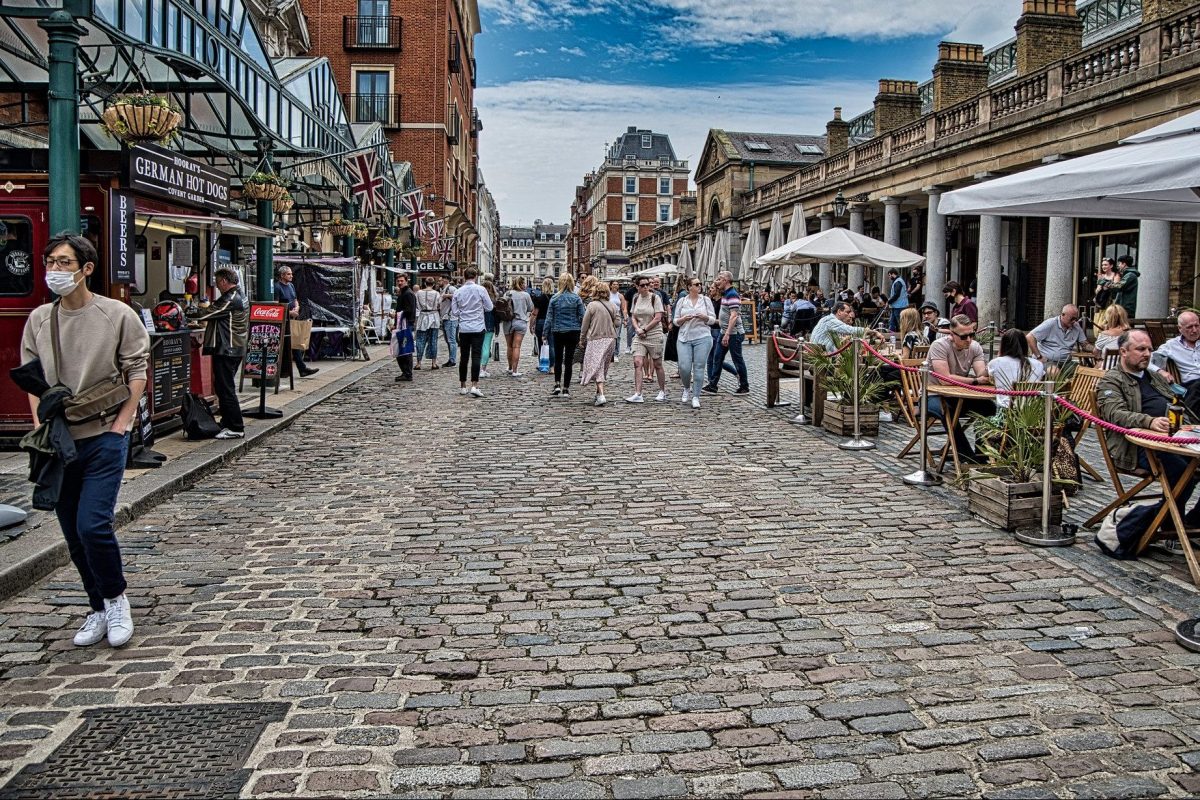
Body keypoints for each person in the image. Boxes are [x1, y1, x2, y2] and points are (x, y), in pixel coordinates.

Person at [20, 233, 149, 648]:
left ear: (86, 268)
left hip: (103, 435)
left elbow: (137, 372)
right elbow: (31, 378)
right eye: (50, 262)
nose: (55, 270)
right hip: (59, 441)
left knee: (93, 526)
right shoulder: (40, 318)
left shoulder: (117, 314)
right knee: (71, 532)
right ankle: (97, 606)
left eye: (64, 262)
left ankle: (116, 600)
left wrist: (121, 426)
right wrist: (39, 425)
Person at [1097, 329, 1200, 554]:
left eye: (1149, 350)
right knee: (1184, 474)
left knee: (1190, 470)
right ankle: (1166, 526)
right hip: (1138, 445)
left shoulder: (1153, 376)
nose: (1147, 354)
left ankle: (1192, 522)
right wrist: (1149, 422)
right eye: (1141, 349)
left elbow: (1177, 401)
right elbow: (1115, 414)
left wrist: (1191, 424)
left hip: (1175, 438)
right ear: (1123, 352)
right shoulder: (1112, 381)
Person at [927, 314, 995, 463]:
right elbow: (944, 380)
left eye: (972, 334)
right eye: (964, 337)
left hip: (959, 395)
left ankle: (981, 453)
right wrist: (975, 381)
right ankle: (965, 456)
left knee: (989, 408)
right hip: (932, 395)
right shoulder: (939, 346)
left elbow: (981, 375)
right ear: (952, 335)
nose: (969, 340)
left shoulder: (974, 347)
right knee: (948, 411)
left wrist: (994, 366)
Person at [190, 267, 248, 439]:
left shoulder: (231, 298)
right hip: (233, 347)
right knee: (223, 388)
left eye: (217, 282)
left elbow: (209, 313)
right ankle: (227, 421)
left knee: (226, 389)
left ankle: (236, 427)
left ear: (224, 281)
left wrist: (191, 311)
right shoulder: (240, 295)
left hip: (227, 348)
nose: (216, 285)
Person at [701, 270, 750, 395]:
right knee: (717, 358)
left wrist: (727, 333)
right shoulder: (726, 294)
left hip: (734, 333)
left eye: (720, 278)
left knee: (737, 359)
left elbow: (734, 316)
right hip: (725, 331)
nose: (718, 281)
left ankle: (744, 386)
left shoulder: (732, 294)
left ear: (726, 280)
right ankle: (713, 385)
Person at [673, 277, 717, 409]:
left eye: (700, 284)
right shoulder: (682, 301)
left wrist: (705, 318)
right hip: (684, 337)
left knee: (699, 367)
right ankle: (686, 387)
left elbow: (713, 319)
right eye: (696, 284)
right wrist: (683, 319)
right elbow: (675, 321)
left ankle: (696, 396)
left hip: (702, 336)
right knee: (684, 367)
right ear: (689, 287)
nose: (699, 286)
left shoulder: (706, 300)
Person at [450, 267, 491, 397]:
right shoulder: (481, 290)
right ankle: (474, 385)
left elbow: (455, 312)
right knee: (476, 356)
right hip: (478, 326)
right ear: (476, 276)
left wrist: (464, 311)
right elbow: (489, 307)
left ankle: (463, 386)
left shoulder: (458, 292)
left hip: (464, 327)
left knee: (464, 357)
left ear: (464, 276)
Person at [627, 275, 668, 403]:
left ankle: (662, 391)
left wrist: (645, 329)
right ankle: (638, 393)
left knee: (657, 364)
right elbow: (633, 316)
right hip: (640, 335)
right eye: (642, 285)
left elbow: (658, 317)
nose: (646, 287)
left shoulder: (655, 298)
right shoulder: (635, 298)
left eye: (647, 285)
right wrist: (637, 329)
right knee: (637, 362)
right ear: (637, 287)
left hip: (654, 333)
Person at [1151, 310, 1200, 416]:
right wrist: (1161, 371)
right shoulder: (1172, 345)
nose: (1195, 330)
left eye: (1197, 325)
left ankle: (1188, 418)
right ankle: (1188, 418)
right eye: (1190, 327)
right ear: (1180, 329)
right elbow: (1147, 360)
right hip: (1190, 386)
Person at [578, 281, 620, 406]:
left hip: (596, 339)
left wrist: (582, 339)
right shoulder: (612, 305)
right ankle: (598, 393)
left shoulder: (591, 305)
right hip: (610, 339)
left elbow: (584, 325)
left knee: (597, 366)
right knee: (602, 366)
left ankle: (601, 395)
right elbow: (617, 323)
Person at [273, 265, 318, 377]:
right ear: (282, 275)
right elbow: (276, 306)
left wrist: (297, 307)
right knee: (290, 344)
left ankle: (299, 369)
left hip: (293, 318)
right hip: (284, 320)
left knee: (294, 343)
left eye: (291, 274)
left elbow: (295, 299)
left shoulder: (291, 286)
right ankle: (297, 369)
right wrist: (289, 312)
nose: (291, 276)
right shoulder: (277, 287)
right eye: (289, 274)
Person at [545, 272, 585, 397]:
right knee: (568, 360)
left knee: (558, 359)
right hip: (573, 331)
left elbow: (549, 318)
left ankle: (557, 384)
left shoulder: (555, 298)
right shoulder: (576, 298)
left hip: (558, 331)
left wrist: (544, 333)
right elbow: (583, 316)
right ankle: (566, 388)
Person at [988, 328, 1046, 410]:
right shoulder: (1038, 364)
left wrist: (999, 355)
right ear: (1025, 345)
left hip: (1006, 412)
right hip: (1031, 411)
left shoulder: (995, 363)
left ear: (1003, 345)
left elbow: (992, 380)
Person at [1027, 304, 1093, 371]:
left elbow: (1085, 345)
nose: (1074, 321)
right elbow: (1030, 337)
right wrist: (1039, 356)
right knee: (1054, 371)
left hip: (1066, 362)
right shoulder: (1050, 323)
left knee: (1082, 372)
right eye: (1072, 318)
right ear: (1063, 315)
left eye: (1076, 318)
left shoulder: (1076, 326)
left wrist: (1095, 349)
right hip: (1048, 361)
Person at [810, 301, 883, 353]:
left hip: (820, 356)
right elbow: (850, 330)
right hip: (823, 360)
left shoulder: (827, 319)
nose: (849, 315)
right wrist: (874, 332)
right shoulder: (831, 320)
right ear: (839, 312)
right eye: (847, 312)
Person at [504, 276, 533, 377]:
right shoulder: (526, 295)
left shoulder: (507, 293)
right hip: (520, 321)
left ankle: (510, 367)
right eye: (524, 283)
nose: (525, 285)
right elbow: (531, 308)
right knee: (516, 346)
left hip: (508, 322)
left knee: (509, 346)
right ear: (521, 284)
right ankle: (515, 371)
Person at [414, 276, 442, 371]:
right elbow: (439, 304)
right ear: (433, 284)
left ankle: (418, 363)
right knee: (433, 340)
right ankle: (434, 363)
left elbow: (417, 305)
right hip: (434, 316)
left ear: (425, 283)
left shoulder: (419, 293)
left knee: (420, 340)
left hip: (423, 317)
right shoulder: (436, 293)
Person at [393, 274, 417, 381]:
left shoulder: (408, 294)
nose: (400, 283)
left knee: (405, 350)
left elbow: (409, 310)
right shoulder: (404, 293)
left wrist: (397, 315)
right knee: (402, 350)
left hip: (405, 324)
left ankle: (407, 373)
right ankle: (406, 372)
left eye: (402, 281)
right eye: (398, 281)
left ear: (406, 281)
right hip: (402, 323)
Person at [479, 280, 498, 379]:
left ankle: (478, 368)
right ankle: (483, 369)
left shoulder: (478, 297)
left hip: (478, 324)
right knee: (486, 347)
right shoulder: (494, 299)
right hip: (489, 325)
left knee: (479, 347)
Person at [532, 277, 552, 370]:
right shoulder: (554, 298)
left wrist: (531, 324)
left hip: (540, 322)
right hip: (552, 322)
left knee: (541, 343)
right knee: (552, 344)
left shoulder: (539, 298)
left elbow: (535, 313)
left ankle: (542, 363)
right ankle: (552, 364)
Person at [438, 276, 457, 367]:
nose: (438, 282)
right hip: (445, 317)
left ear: (445, 280)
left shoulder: (451, 288)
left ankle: (452, 359)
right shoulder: (442, 290)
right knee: (448, 340)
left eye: (440, 280)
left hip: (450, 318)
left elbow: (459, 296)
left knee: (451, 340)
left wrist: (448, 295)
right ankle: (451, 358)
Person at [608, 279, 628, 363]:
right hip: (608, 317)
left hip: (617, 317)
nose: (616, 286)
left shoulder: (620, 296)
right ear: (611, 285)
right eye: (614, 284)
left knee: (617, 336)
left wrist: (625, 318)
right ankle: (609, 354)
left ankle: (616, 353)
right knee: (609, 336)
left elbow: (623, 308)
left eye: (617, 284)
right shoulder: (608, 295)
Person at [886, 268, 909, 332]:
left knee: (899, 323)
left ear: (893, 274)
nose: (889, 277)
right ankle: (891, 335)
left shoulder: (898, 282)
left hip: (899, 306)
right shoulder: (898, 281)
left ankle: (901, 335)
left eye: (889, 275)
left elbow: (896, 295)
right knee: (892, 322)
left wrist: (889, 301)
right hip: (896, 306)